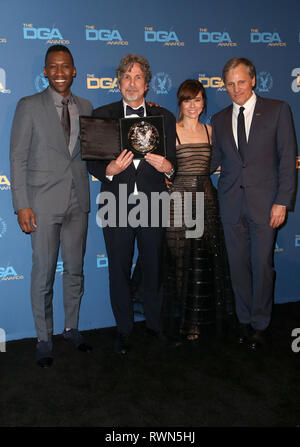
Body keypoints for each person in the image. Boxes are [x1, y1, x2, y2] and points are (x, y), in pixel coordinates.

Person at [87, 54, 177, 354]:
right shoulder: (104, 115)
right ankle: (124, 330)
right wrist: (107, 171)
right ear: (118, 82)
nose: (132, 82)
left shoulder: (164, 118)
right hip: (116, 204)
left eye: (138, 77)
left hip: (154, 204)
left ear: (147, 84)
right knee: (119, 270)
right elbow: (92, 161)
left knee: (154, 269)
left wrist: (167, 166)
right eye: (126, 76)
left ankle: (154, 325)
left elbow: (174, 164)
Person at [10, 45, 93, 368]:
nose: (60, 72)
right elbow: (17, 158)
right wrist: (22, 205)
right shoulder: (28, 106)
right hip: (42, 204)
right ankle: (44, 338)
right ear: (45, 72)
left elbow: (99, 145)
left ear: (74, 71)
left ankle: (71, 328)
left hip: (77, 202)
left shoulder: (86, 106)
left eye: (66, 66)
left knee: (75, 270)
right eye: (53, 67)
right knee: (43, 273)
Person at [210, 57, 297, 350]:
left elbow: (288, 160)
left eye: (241, 82)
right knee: (237, 266)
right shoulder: (219, 119)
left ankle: (260, 323)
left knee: (262, 266)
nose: (236, 89)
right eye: (230, 84)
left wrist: (282, 202)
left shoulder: (277, 110)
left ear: (254, 80)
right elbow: (211, 161)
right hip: (231, 203)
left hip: (265, 204)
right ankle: (244, 319)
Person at [163, 79, 234, 341]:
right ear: (180, 103)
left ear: (203, 102)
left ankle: (197, 319)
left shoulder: (211, 130)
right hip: (177, 202)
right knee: (180, 262)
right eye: (187, 100)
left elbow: (223, 162)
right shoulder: (171, 130)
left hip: (206, 201)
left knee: (203, 264)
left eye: (198, 99)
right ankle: (183, 319)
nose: (193, 105)